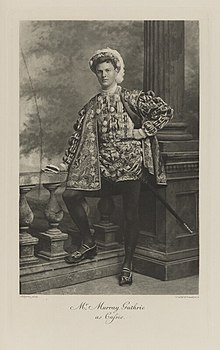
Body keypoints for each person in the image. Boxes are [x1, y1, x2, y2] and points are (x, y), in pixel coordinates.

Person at [44, 48, 173, 286]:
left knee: (130, 214)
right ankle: (88, 241)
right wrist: (63, 163)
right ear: (96, 74)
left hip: (130, 168)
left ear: (116, 71)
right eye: (100, 71)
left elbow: (164, 111)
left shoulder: (133, 98)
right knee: (71, 195)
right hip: (101, 169)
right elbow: (77, 137)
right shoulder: (92, 105)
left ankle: (128, 263)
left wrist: (143, 131)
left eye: (108, 70)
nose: (104, 75)